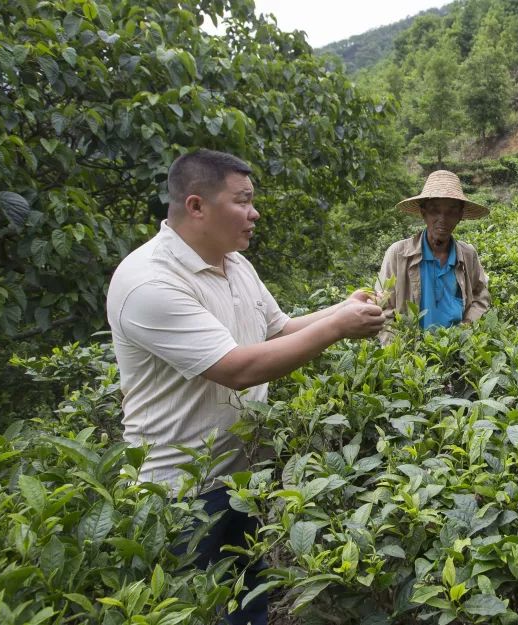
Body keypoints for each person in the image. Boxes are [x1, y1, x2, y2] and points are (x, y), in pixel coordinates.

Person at [106, 149, 387, 624]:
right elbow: (236, 368)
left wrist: (342, 308)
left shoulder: (234, 263)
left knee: (250, 602)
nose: (254, 213)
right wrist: (339, 326)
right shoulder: (149, 282)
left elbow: (279, 330)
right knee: (202, 610)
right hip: (180, 493)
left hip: (244, 476)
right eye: (243, 201)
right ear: (196, 206)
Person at [376, 170, 490, 332]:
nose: (442, 219)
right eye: (435, 210)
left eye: (451, 211)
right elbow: (382, 308)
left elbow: (481, 297)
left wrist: (467, 324)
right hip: (411, 346)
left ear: (460, 215)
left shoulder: (467, 255)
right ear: (423, 213)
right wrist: (398, 345)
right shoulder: (398, 254)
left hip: (457, 345)